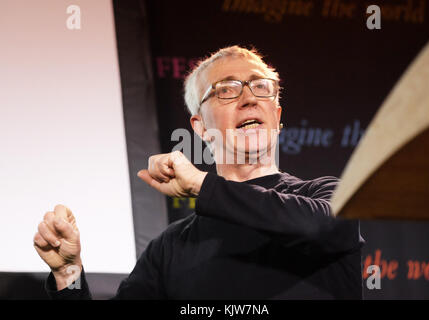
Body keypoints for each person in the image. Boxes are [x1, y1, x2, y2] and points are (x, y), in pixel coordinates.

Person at [33, 46, 364, 299]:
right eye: (227, 89)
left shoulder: (324, 195)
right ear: (201, 127)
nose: (249, 98)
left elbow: (323, 227)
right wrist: (68, 273)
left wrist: (202, 184)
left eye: (261, 87)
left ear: (277, 117)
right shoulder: (170, 248)